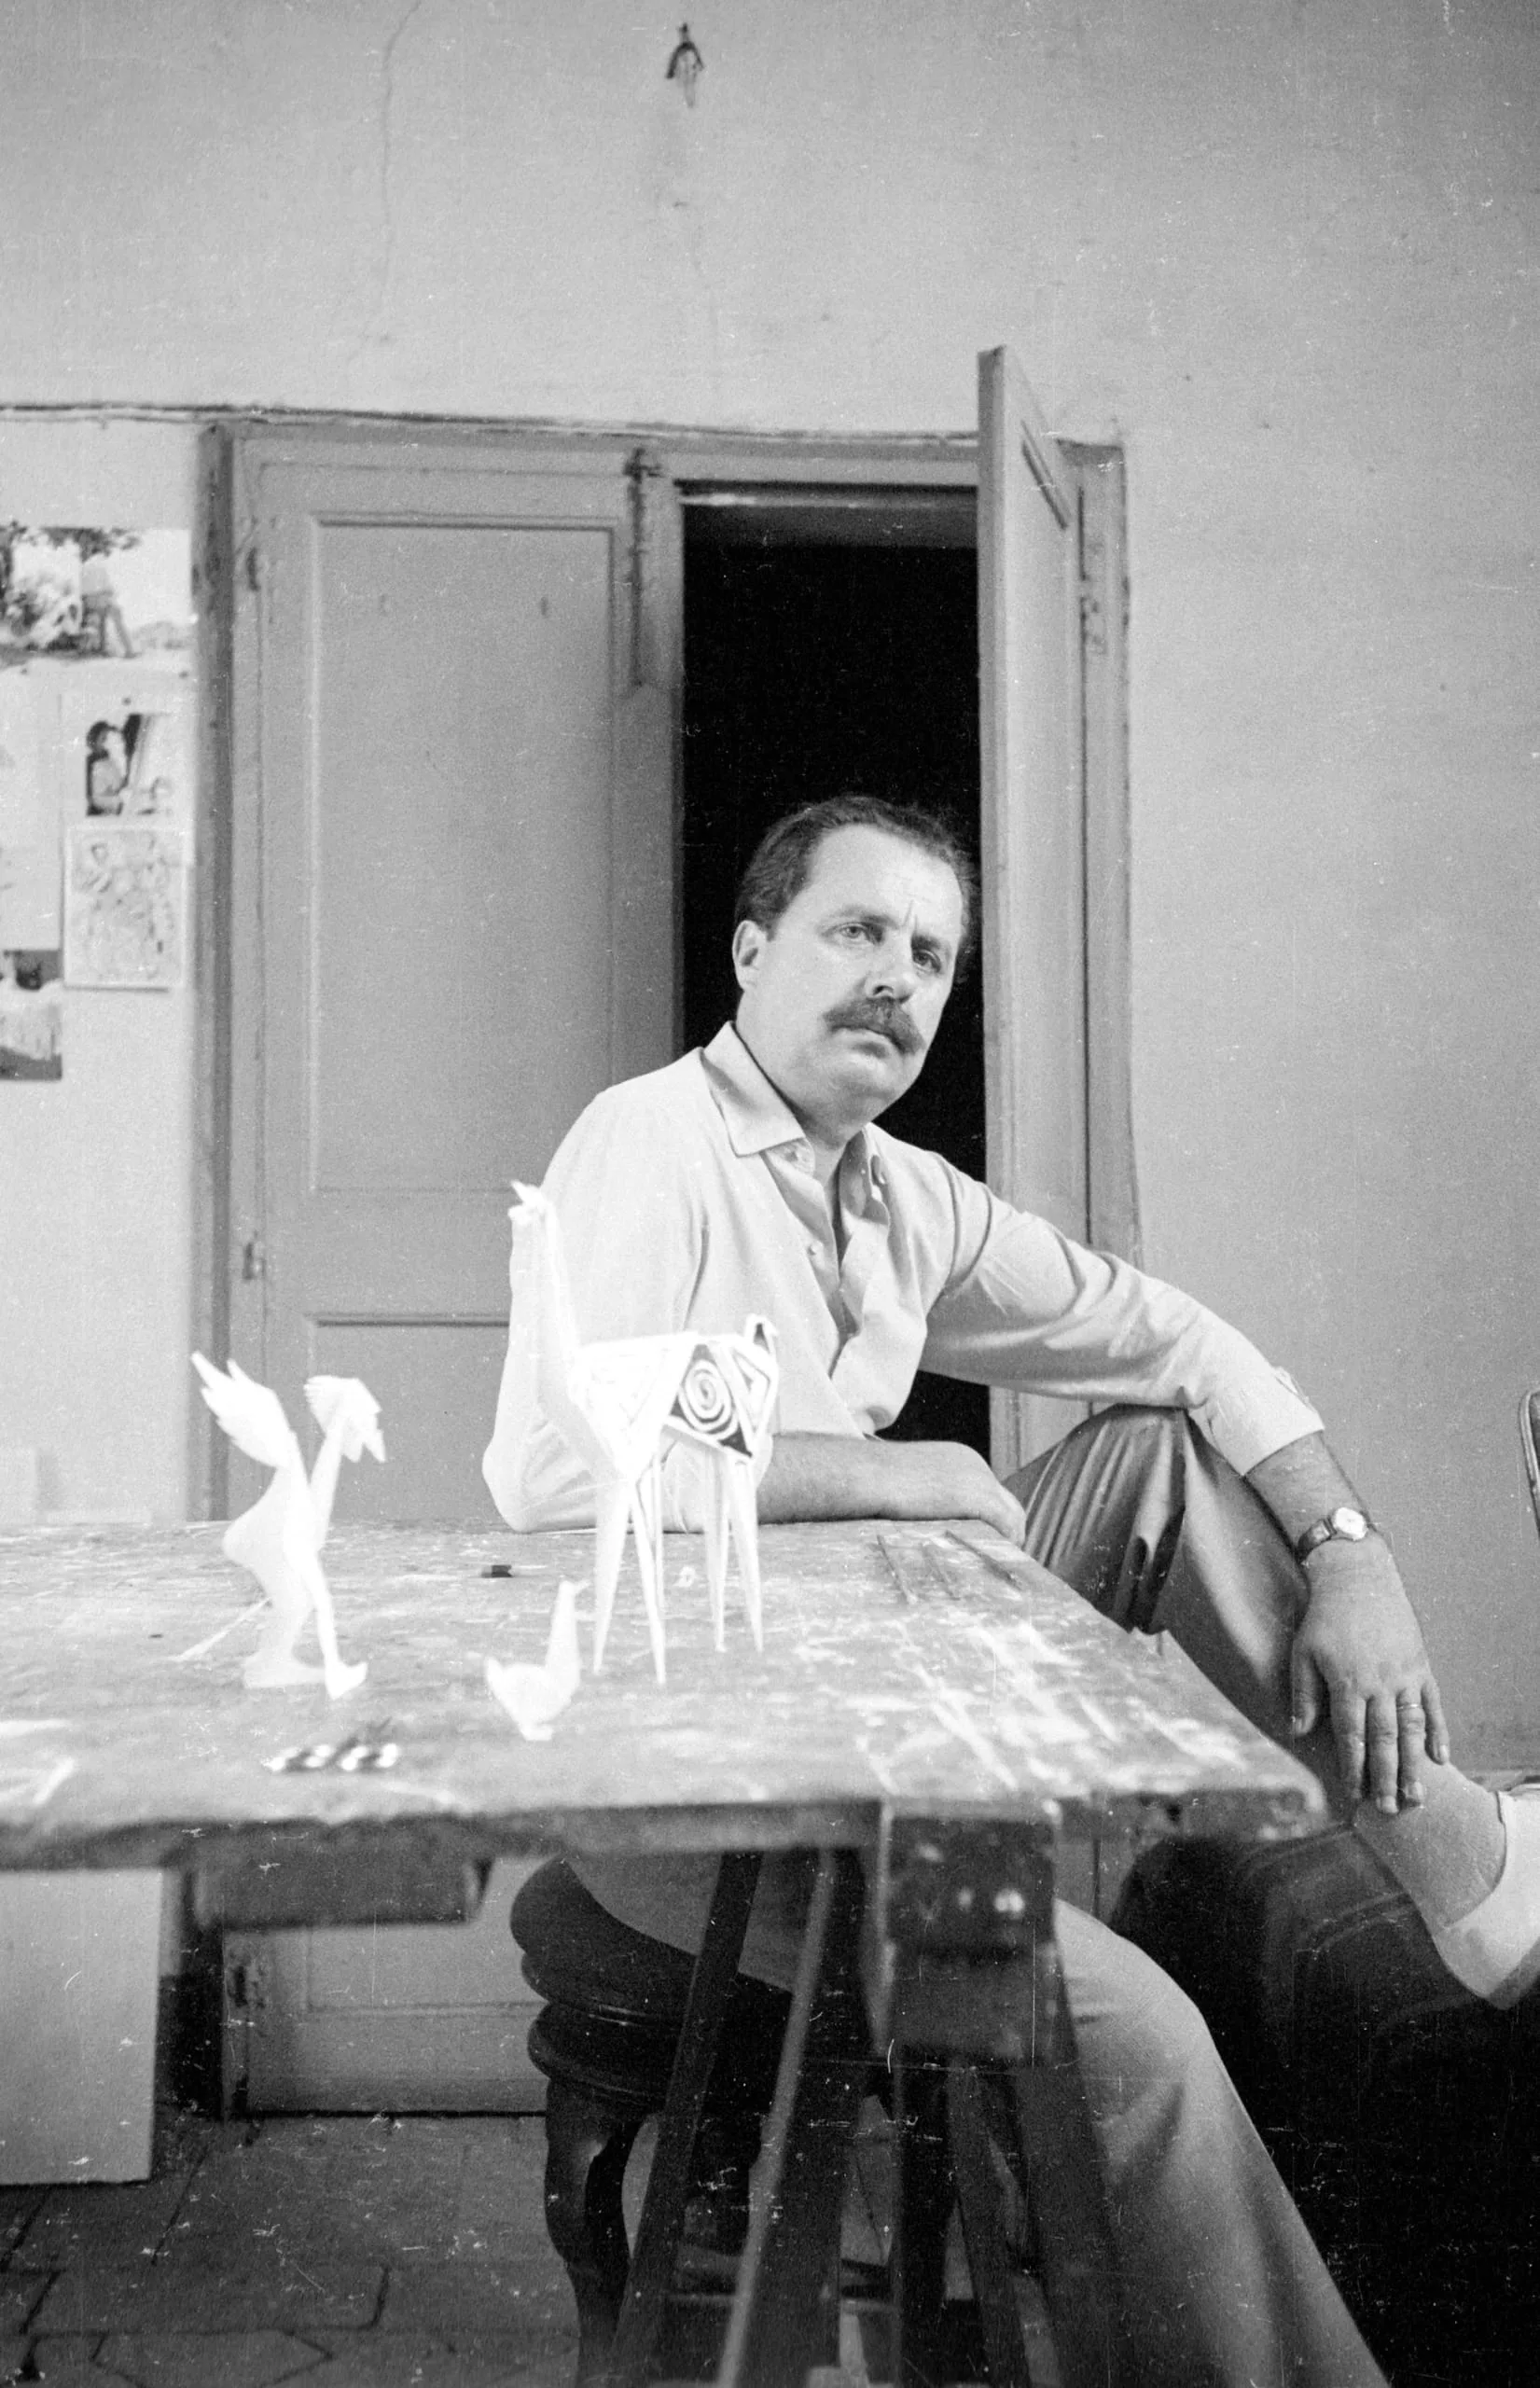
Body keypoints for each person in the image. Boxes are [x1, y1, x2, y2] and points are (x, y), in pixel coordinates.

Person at [485, 795, 1536, 2385]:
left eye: (928, 955)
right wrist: (905, 1471)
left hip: (882, 1724)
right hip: (711, 1793)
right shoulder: (649, 1138)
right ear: (750, 952)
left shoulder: (899, 1196)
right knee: (1147, 2044)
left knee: (1155, 1451)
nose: (895, 979)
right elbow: (567, 1461)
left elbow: (1183, 1344)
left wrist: (1350, 1550)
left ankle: (1460, 1866)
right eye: (856, 932)